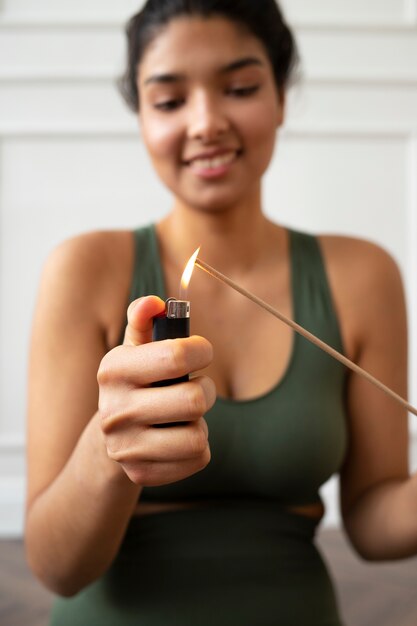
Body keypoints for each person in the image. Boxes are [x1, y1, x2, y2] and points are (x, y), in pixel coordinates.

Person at [25, 1, 413, 624]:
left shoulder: (362, 275)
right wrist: (111, 450)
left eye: (239, 88)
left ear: (281, 97)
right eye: (170, 100)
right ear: (142, 118)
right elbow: (55, 567)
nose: (206, 122)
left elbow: (374, 519)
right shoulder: (84, 269)